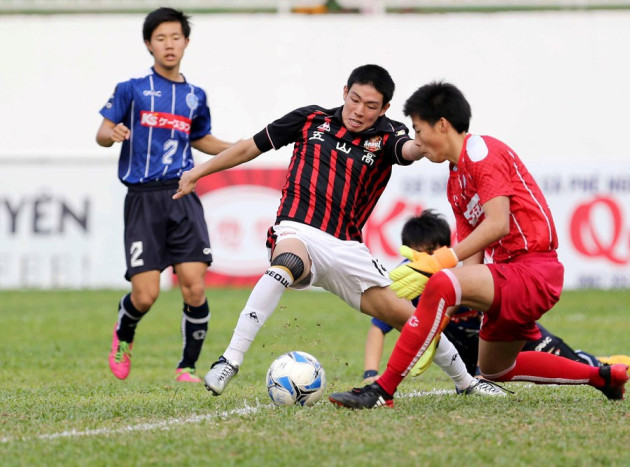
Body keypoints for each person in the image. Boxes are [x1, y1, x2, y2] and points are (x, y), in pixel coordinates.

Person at [173, 65, 503, 398]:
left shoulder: (389, 135)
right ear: (344, 91)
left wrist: (429, 139)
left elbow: (410, 150)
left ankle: (466, 382)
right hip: (297, 230)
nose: (360, 111)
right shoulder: (310, 120)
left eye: (371, 106)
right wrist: (200, 171)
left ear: (385, 108)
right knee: (285, 264)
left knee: (410, 316)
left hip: (347, 249)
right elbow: (249, 147)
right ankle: (230, 360)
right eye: (355, 99)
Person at [329, 81, 630, 409]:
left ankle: (382, 391)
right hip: (509, 276)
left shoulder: (482, 152)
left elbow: (498, 223)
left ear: (442, 125)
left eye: (418, 130)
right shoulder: (455, 180)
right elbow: (472, 262)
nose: (416, 141)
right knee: (495, 369)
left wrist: (442, 263)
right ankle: (603, 377)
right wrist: (437, 317)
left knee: (443, 282)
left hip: (534, 270)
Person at [96, 7, 234, 383]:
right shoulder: (131, 89)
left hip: (182, 192)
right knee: (145, 295)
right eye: (161, 38)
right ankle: (124, 336)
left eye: (175, 37)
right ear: (148, 45)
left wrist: (241, 147)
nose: (169, 44)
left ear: (186, 42)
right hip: (142, 199)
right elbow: (102, 133)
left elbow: (201, 138)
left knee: (194, 284)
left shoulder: (194, 95)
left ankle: (187, 367)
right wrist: (114, 133)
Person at [362, 210, 630, 385]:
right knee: (495, 377)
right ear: (408, 252)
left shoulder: (464, 270)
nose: (430, 258)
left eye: (437, 251)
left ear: (448, 248)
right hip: (476, 357)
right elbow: (378, 326)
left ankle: (594, 362)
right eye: (421, 253)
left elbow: (487, 298)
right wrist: (369, 372)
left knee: (566, 364)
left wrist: (446, 308)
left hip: (509, 333)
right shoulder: (405, 280)